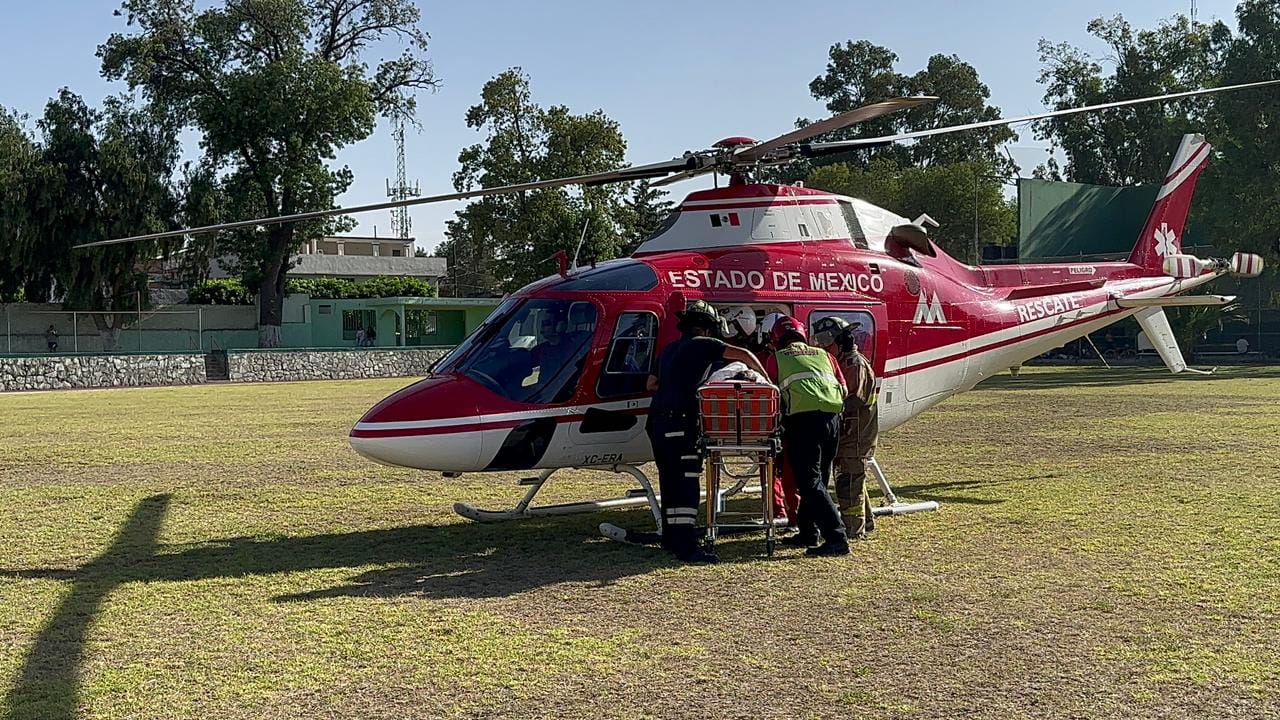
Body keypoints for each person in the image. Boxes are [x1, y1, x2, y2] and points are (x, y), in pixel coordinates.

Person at [646, 299, 768, 563]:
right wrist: (767, 383)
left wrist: (676, 385)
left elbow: (651, 384)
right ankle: (687, 546)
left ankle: (671, 536)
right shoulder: (704, 344)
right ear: (708, 328)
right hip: (680, 422)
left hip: (656, 422)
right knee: (687, 481)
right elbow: (744, 356)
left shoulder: (668, 350)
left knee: (669, 480)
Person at [765, 315, 850, 556]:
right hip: (833, 421)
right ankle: (808, 532)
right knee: (818, 480)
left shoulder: (776, 359)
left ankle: (836, 537)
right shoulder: (826, 355)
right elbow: (843, 389)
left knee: (809, 481)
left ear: (776, 339)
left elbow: (769, 393)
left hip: (803, 422)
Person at [813, 316, 878, 539]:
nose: (822, 347)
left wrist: (826, 404)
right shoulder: (843, 362)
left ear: (839, 341)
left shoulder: (854, 364)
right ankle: (865, 522)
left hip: (856, 434)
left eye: (826, 342)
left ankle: (852, 530)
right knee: (854, 479)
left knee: (848, 482)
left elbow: (853, 399)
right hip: (849, 435)